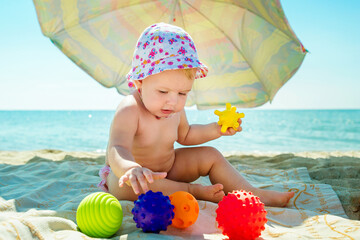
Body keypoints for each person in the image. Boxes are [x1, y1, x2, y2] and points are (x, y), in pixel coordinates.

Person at [98, 23, 294, 206]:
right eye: (163, 92)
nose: (173, 101)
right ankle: (192, 190)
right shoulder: (130, 109)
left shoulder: (174, 109)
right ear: (140, 82)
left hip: (169, 168)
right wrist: (130, 169)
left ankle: (250, 193)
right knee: (129, 183)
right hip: (131, 176)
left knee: (211, 155)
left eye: (182, 93)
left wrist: (216, 130)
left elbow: (186, 135)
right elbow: (117, 147)